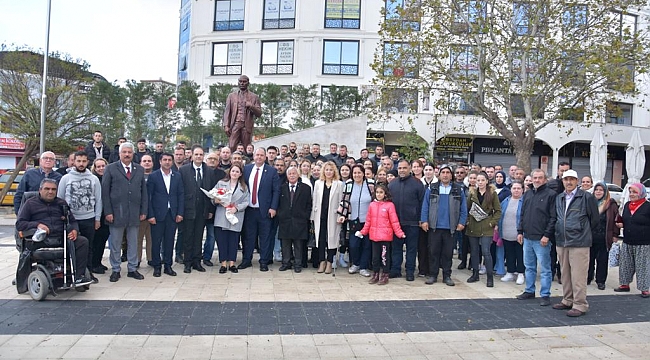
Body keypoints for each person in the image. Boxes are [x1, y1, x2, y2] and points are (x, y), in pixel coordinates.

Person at [16, 178, 93, 287]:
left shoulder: (61, 203)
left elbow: (72, 221)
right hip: (41, 240)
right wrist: (37, 225)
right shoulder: (30, 204)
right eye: (47, 189)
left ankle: (79, 277)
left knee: (82, 241)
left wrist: (74, 230)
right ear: (40, 190)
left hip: (61, 238)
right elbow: (20, 224)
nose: (50, 192)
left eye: (53, 189)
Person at [551, 169, 599, 317]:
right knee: (565, 274)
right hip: (562, 240)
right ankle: (567, 299)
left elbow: (595, 220)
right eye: (566, 180)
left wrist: (583, 232)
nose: (569, 182)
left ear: (577, 181)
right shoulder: (559, 197)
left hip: (580, 242)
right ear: (563, 181)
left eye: (572, 179)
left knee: (578, 275)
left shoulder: (586, 197)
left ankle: (580, 304)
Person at [102, 142, 148, 282]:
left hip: (134, 212)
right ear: (120, 154)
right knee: (115, 243)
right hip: (116, 213)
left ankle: (132, 268)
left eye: (129, 152)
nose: (127, 154)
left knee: (133, 242)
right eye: (124, 152)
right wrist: (108, 211)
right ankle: (115, 269)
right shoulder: (110, 168)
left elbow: (143, 192)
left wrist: (143, 210)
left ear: (133, 153)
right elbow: (105, 192)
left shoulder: (139, 169)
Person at [57, 151, 102, 283]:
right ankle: (71, 272)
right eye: (78, 161)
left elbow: (99, 200)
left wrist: (97, 218)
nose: (81, 164)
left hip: (89, 218)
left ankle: (88, 272)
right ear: (73, 162)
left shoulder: (94, 179)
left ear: (88, 162)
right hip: (71, 219)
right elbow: (59, 199)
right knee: (70, 247)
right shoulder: (65, 178)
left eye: (84, 161)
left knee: (89, 247)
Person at [178, 145, 223, 273]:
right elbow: (180, 192)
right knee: (188, 237)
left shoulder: (209, 171)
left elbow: (211, 191)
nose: (198, 157)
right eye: (196, 154)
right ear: (191, 156)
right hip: (188, 209)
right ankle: (187, 262)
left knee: (198, 237)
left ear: (204, 156)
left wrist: (210, 210)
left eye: (201, 154)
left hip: (202, 210)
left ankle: (197, 261)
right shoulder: (184, 170)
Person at [420, 164, 467, 286]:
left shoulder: (458, 189)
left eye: (448, 173)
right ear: (439, 175)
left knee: (448, 253)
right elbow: (425, 206)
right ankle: (433, 275)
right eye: (443, 172)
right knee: (433, 252)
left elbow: (463, 208)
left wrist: (462, 222)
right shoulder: (432, 188)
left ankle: (447, 276)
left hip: (450, 227)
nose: (445, 175)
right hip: (434, 226)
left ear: (451, 175)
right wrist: (424, 220)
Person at [516, 169, 557, 306]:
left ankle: (545, 294)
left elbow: (553, 217)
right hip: (527, 237)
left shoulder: (551, 195)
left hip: (542, 239)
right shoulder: (527, 194)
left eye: (540, 178)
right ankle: (529, 290)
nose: (537, 180)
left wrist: (547, 235)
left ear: (545, 180)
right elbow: (522, 214)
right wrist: (520, 231)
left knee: (545, 268)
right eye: (535, 178)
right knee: (529, 267)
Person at [356, 184, 405, 285]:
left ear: (385, 194)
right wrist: (363, 231)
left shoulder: (389, 205)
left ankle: (385, 275)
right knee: (375, 258)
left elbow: (394, 221)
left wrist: (399, 233)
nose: (379, 194)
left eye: (381, 192)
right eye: (377, 192)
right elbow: (368, 221)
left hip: (385, 237)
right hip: (374, 236)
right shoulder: (372, 205)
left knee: (384, 257)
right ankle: (376, 274)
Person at [240, 148, 280, 271]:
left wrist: (273, 207)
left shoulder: (272, 171)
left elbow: (276, 191)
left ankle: (264, 261)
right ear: (254, 156)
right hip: (249, 210)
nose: (259, 157)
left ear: (265, 157)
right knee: (248, 237)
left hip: (265, 210)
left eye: (261, 155)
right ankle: (247, 260)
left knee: (265, 237)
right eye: (257, 155)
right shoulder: (246, 169)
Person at [146, 153, 184, 277]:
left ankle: (168, 266)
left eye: (169, 160)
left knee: (169, 241)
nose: (167, 162)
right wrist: (150, 215)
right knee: (156, 242)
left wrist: (179, 213)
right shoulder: (153, 176)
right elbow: (148, 197)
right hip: (157, 214)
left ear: (172, 162)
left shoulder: (177, 176)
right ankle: (157, 266)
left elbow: (180, 195)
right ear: (160, 161)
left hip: (172, 214)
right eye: (165, 160)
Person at [388, 159, 424, 282]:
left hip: (412, 223)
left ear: (409, 168)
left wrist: (421, 219)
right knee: (396, 248)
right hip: (396, 223)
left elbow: (422, 203)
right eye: (400, 168)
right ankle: (396, 269)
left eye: (404, 168)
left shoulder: (418, 183)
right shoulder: (392, 184)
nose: (402, 170)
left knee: (411, 249)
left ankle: (410, 271)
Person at [465, 172, 502, 287]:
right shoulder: (472, 193)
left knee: (486, 251)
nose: (480, 182)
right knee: (474, 252)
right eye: (478, 180)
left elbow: (498, 210)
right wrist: (467, 221)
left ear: (487, 181)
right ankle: (475, 274)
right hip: (473, 226)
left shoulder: (492, 194)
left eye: (482, 180)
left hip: (486, 226)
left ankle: (489, 277)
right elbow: (467, 208)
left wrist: (492, 222)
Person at [614, 183, 650, 298]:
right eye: (630, 192)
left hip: (643, 242)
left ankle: (644, 288)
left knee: (642, 266)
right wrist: (621, 224)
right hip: (627, 240)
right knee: (625, 264)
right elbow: (626, 220)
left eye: (635, 192)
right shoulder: (627, 205)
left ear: (641, 193)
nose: (632, 194)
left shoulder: (648, 206)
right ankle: (624, 284)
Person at [213, 163, 249, 274]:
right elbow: (213, 195)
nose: (234, 173)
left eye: (237, 171)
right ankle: (223, 263)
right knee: (222, 240)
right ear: (230, 172)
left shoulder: (244, 187)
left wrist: (236, 208)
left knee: (233, 240)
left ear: (240, 174)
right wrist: (216, 200)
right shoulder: (221, 183)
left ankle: (232, 263)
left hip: (235, 216)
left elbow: (246, 201)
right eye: (233, 171)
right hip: (222, 215)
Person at [311, 161, 344, 274]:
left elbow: (341, 202)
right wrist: (312, 217)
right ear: (323, 171)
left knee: (332, 239)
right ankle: (322, 261)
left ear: (334, 171)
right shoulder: (318, 183)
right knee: (320, 239)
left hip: (333, 216)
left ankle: (330, 261)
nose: (328, 172)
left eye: (331, 170)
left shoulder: (339, 184)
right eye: (326, 170)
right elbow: (314, 200)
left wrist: (340, 215)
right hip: (320, 216)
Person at [277, 167, 312, 272]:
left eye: (294, 173)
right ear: (287, 176)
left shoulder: (306, 188)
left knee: (298, 244)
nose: (292, 175)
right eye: (290, 174)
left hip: (300, 220)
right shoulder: (282, 188)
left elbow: (309, 204)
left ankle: (298, 264)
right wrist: (280, 214)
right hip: (285, 219)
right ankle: (286, 263)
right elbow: (278, 204)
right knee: (285, 243)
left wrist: (306, 216)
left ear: (298, 175)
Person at [343, 164, 375, 277]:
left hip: (368, 220)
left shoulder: (370, 184)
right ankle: (355, 263)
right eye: (355, 173)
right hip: (353, 220)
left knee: (366, 245)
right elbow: (345, 200)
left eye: (359, 172)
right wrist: (342, 214)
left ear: (363, 173)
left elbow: (374, 200)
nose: (357, 175)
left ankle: (363, 266)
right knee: (353, 244)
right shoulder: (349, 184)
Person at [588, 182, 619, 290]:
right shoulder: (590, 202)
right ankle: (588, 277)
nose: (598, 192)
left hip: (604, 237)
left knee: (602, 260)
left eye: (601, 190)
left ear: (605, 192)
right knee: (589, 259)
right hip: (589, 237)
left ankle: (600, 281)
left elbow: (616, 220)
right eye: (596, 189)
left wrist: (615, 235)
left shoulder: (611, 204)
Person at [223, 75, 262, 150]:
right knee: (232, 145)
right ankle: (232, 160)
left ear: (248, 83)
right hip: (235, 124)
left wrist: (251, 106)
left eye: (244, 82)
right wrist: (226, 126)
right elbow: (227, 112)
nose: (242, 83)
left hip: (246, 125)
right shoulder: (231, 96)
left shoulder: (254, 97)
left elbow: (259, 113)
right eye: (240, 81)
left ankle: (246, 161)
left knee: (246, 147)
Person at [498, 180, 525, 285]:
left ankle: (521, 273)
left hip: (518, 233)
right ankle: (510, 272)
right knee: (509, 253)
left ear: (522, 190)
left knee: (520, 254)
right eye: (514, 188)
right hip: (506, 231)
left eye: (519, 188)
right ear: (510, 190)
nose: (516, 190)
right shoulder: (505, 201)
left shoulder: (524, 202)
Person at [90, 158, 109, 274]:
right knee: (95, 240)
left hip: (106, 214)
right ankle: (93, 264)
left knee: (103, 239)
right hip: (95, 214)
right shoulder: (93, 180)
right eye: (99, 167)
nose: (101, 168)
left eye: (103, 166)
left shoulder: (109, 178)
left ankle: (98, 262)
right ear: (95, 168)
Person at [136, 154, 154, 266]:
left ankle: (151, 258)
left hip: (153, 213)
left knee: (151, 239)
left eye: (149, 161)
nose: (147, 163)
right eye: (144, 161)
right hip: (139, 213)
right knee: (138, 239)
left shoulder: (157, 175)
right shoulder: (136, 176)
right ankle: (137, 259)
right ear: (140, 163)